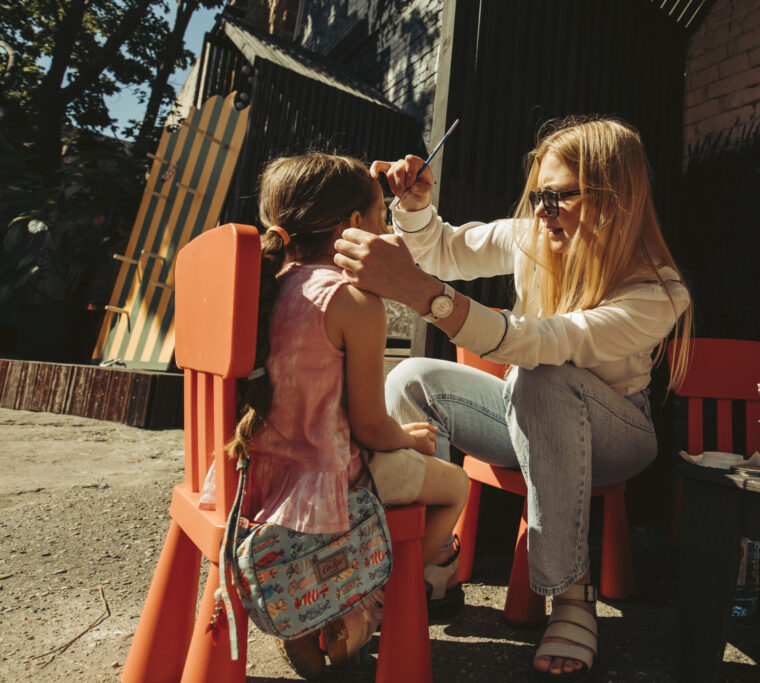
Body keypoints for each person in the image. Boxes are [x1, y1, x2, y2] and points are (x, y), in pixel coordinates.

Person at [333, 116, 692, 681]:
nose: (542, 212)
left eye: (559, 197)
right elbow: (446, 252)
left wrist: (424, 295)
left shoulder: (659, 291)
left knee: (544, 374)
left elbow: (546, 342)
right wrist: (417, 208)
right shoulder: (532, 237)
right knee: (411, 378)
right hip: (528, 411)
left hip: (618, 436)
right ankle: (431, 563)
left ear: (614, 198)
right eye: (538, 196)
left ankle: (571, 595)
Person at [221, 153, 469, 679]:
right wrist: (410, 439)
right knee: (455, 486)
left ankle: (318, 611)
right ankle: (363, 603)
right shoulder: (353, 300)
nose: (387, 229)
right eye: (381, 217)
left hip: (247, 478)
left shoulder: (263, 285)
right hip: (327, 483)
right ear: (353, 225)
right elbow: (371, 428)